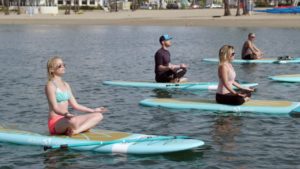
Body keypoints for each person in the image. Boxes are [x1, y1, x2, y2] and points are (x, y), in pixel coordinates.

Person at [45, 56, 107, 136]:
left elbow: (75, 105)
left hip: (67, 118)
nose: (63, 66)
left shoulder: (66, 85)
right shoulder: (50, 85)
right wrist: (66, 114)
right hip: (56, 122)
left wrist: (93, 110)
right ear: (52, 70)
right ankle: (80, 127)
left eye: (64, 64)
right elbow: (55, 108)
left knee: (99, 115)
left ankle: (76, 131)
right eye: (60, 66)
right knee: (73, 121)